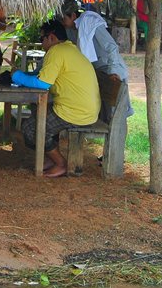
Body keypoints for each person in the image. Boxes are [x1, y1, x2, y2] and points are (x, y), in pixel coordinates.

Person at [11, 19, 100, 177]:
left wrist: (16, 76)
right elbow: (42, 76)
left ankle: (60, 163)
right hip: (83, 108)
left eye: (42, 39)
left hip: (75, 111)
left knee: (30, 129)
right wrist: (24, 76)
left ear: (51, 37)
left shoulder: (57, 51)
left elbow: (42, 84)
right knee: (37, 115)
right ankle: (50, 158)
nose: (41, 43)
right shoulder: (68, 49)